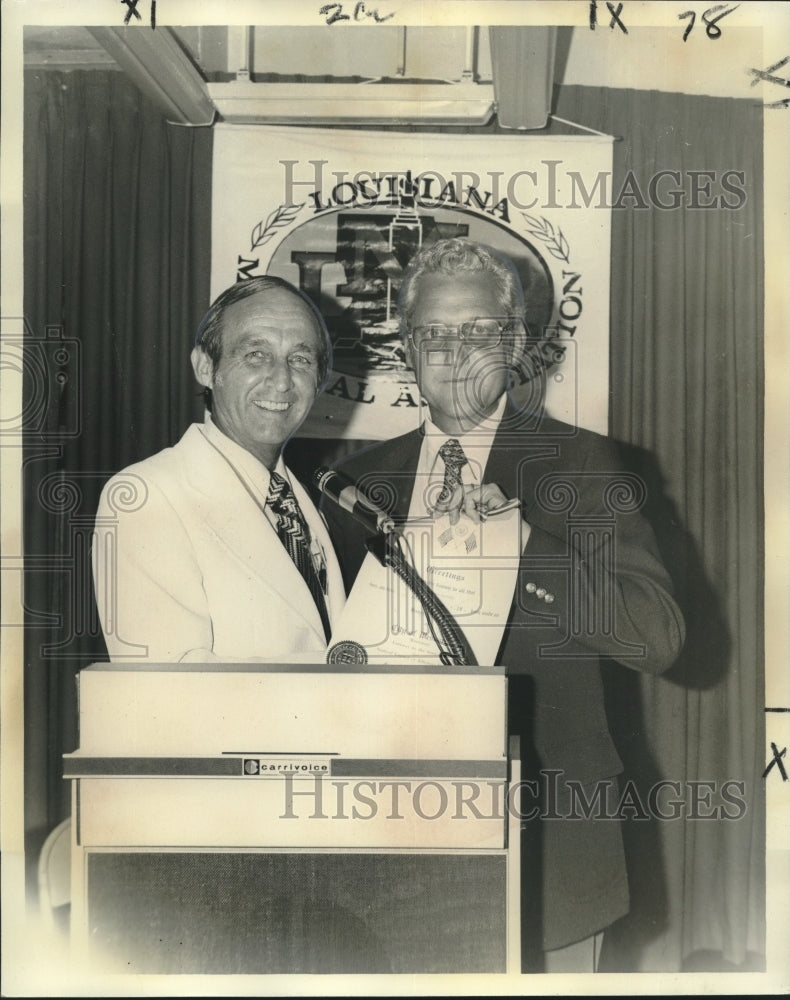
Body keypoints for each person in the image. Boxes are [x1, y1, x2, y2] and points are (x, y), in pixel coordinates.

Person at [320, 238, 686, 972]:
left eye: (480, 332)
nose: (456, 353)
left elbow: (659, 636)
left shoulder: (582, 465)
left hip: (549, 843)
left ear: (516, 344)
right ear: (406, 346)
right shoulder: (352, 482)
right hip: (389, 843)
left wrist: (521, 545)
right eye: (434, 333)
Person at [92, 275, 345, 663]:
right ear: (206, 367)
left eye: (300, 359)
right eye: (256, 355)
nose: (281, 381)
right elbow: (167, 697)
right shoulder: (145, 498)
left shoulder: (306, 502)